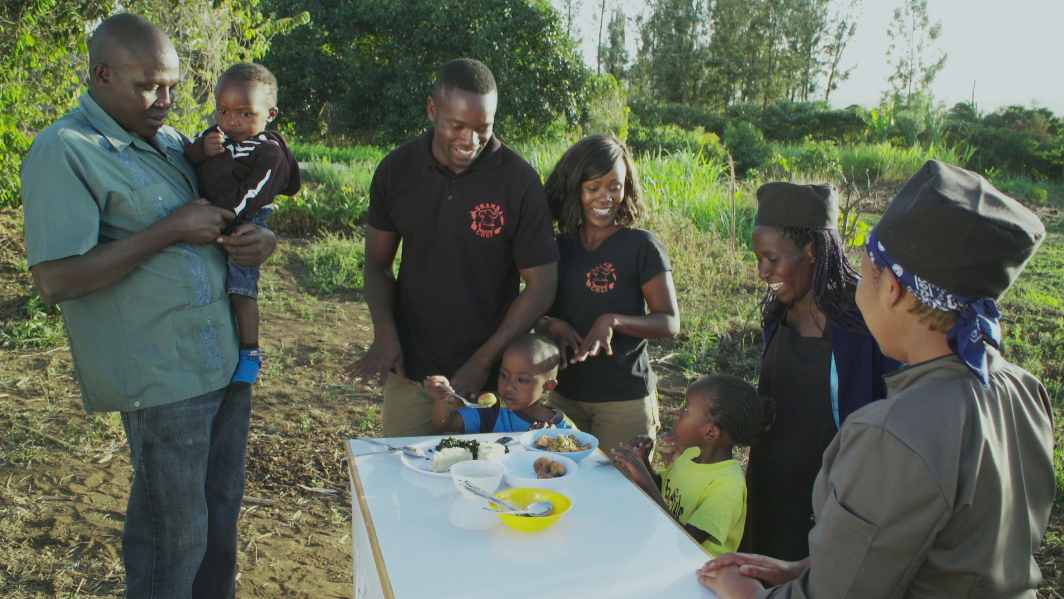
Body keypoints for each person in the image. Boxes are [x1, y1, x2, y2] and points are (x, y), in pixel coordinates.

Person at [697, 160, 1055, 598]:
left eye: (865, 270)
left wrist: (748, 593)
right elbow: (944, 552)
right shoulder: (1023, 389)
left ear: (892, 289)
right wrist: (805, 569)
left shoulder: (891, 432)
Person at [20, 14, 277, 598]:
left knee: (217, 520)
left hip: (223, 361)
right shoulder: (66, 150)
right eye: (148, 86)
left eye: (173, 87)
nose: (164, 101)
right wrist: (170, 228)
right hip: (163, 376)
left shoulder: (165, 141)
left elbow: (219, 218)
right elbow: (55, 280)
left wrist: (261, 240)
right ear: (101, 75)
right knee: (173, 535)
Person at [341, 58, 559, 437]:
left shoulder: (519, 182)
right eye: (456, 126)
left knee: (483, 487)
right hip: (411, 370)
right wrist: (386, 334)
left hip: (490, 385)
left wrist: (482, 361)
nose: (470, 141)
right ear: (432, 110)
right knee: (405, 480)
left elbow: (541, 287)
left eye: (482, 129)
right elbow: (377, 265)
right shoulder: (397, 171)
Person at [742, 182, 901, 561]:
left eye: (772, 259)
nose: (763, 272)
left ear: (812, 250)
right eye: (758, 259)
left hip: (832, 491)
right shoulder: (779, 312)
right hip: (769, 478)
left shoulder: (864, 323)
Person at [536, 134, 680, 454]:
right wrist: (550, 326)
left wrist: (612, 321)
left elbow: (669, 322)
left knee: (621, 495)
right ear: (575, 188)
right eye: (593, 187)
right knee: (564, 488)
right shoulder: (559, 246)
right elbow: (537, 310)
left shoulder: (641, 246)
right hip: (564, 396)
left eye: (615, 187)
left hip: (624, 401)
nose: (606, 198)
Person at [184, 61, 301, 389]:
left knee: (241, 284)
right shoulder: (218, 137)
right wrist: (203, 147)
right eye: (223, 111)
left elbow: (251, 193)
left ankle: (250, 351)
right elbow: (188, 157)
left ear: (270, 114)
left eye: (245, 114)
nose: (232, 121)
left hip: (244, 220)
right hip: (215, 215)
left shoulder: (269, 152)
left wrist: (218, 215)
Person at [611, 374, 761, 557]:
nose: (677, 412)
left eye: (686, 409)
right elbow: (662, 490)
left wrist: (644, 479)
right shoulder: (692, 454)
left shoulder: (727, 487)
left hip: (691, 573)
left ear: (710, 432)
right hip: (661, 552)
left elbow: (686, 541)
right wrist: (644, 462)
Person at [426, 333, 574, 433]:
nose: (509, 386)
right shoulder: (492, 412)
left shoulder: (562, 429)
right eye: (504, 375)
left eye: (522, 380)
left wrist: (551, 443)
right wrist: (441, 399)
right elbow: (445, 423)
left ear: (548, 386)